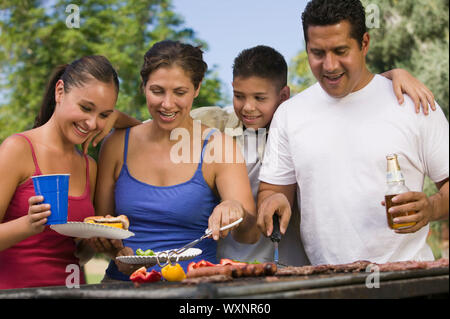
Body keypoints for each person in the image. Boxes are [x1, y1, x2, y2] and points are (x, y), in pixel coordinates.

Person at [190, 45, 439, 266]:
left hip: (293, 265)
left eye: (260, 98)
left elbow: (358, 91)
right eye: (239, 96)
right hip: (232, 262)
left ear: (283, 96)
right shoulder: (217, 125)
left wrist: (395, 74)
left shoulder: (304, 120)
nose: (248, 107)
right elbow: (168, 117)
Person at [257, 0, 449, 266]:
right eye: (317, 53)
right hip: (327, 284)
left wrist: (431, 207)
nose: (330, 65)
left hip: (408, 278)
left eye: (340, 50)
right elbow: (272, 191)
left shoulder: (414, 104)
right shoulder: (290, 114)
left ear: (365, 43)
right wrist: (273, 200)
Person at [93, 40, 259, 281]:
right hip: (123, 286)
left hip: (195, 291)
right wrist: (116, 252)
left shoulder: (218, 146)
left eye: (180, 92)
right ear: (143, 86)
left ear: (197, 88)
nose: (167, 104)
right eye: (157, 91)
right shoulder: (116, 144)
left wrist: (236, 208)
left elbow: (250, 234)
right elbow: (103, 227)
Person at [0, 55, 140, 289]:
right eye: (86, 108)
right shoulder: (18, 149)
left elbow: (78, 255)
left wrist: (95, 242)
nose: (92, 123)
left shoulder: (89, 166)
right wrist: (28, 224)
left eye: (104, 115)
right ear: (60, 91)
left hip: (73, 292)